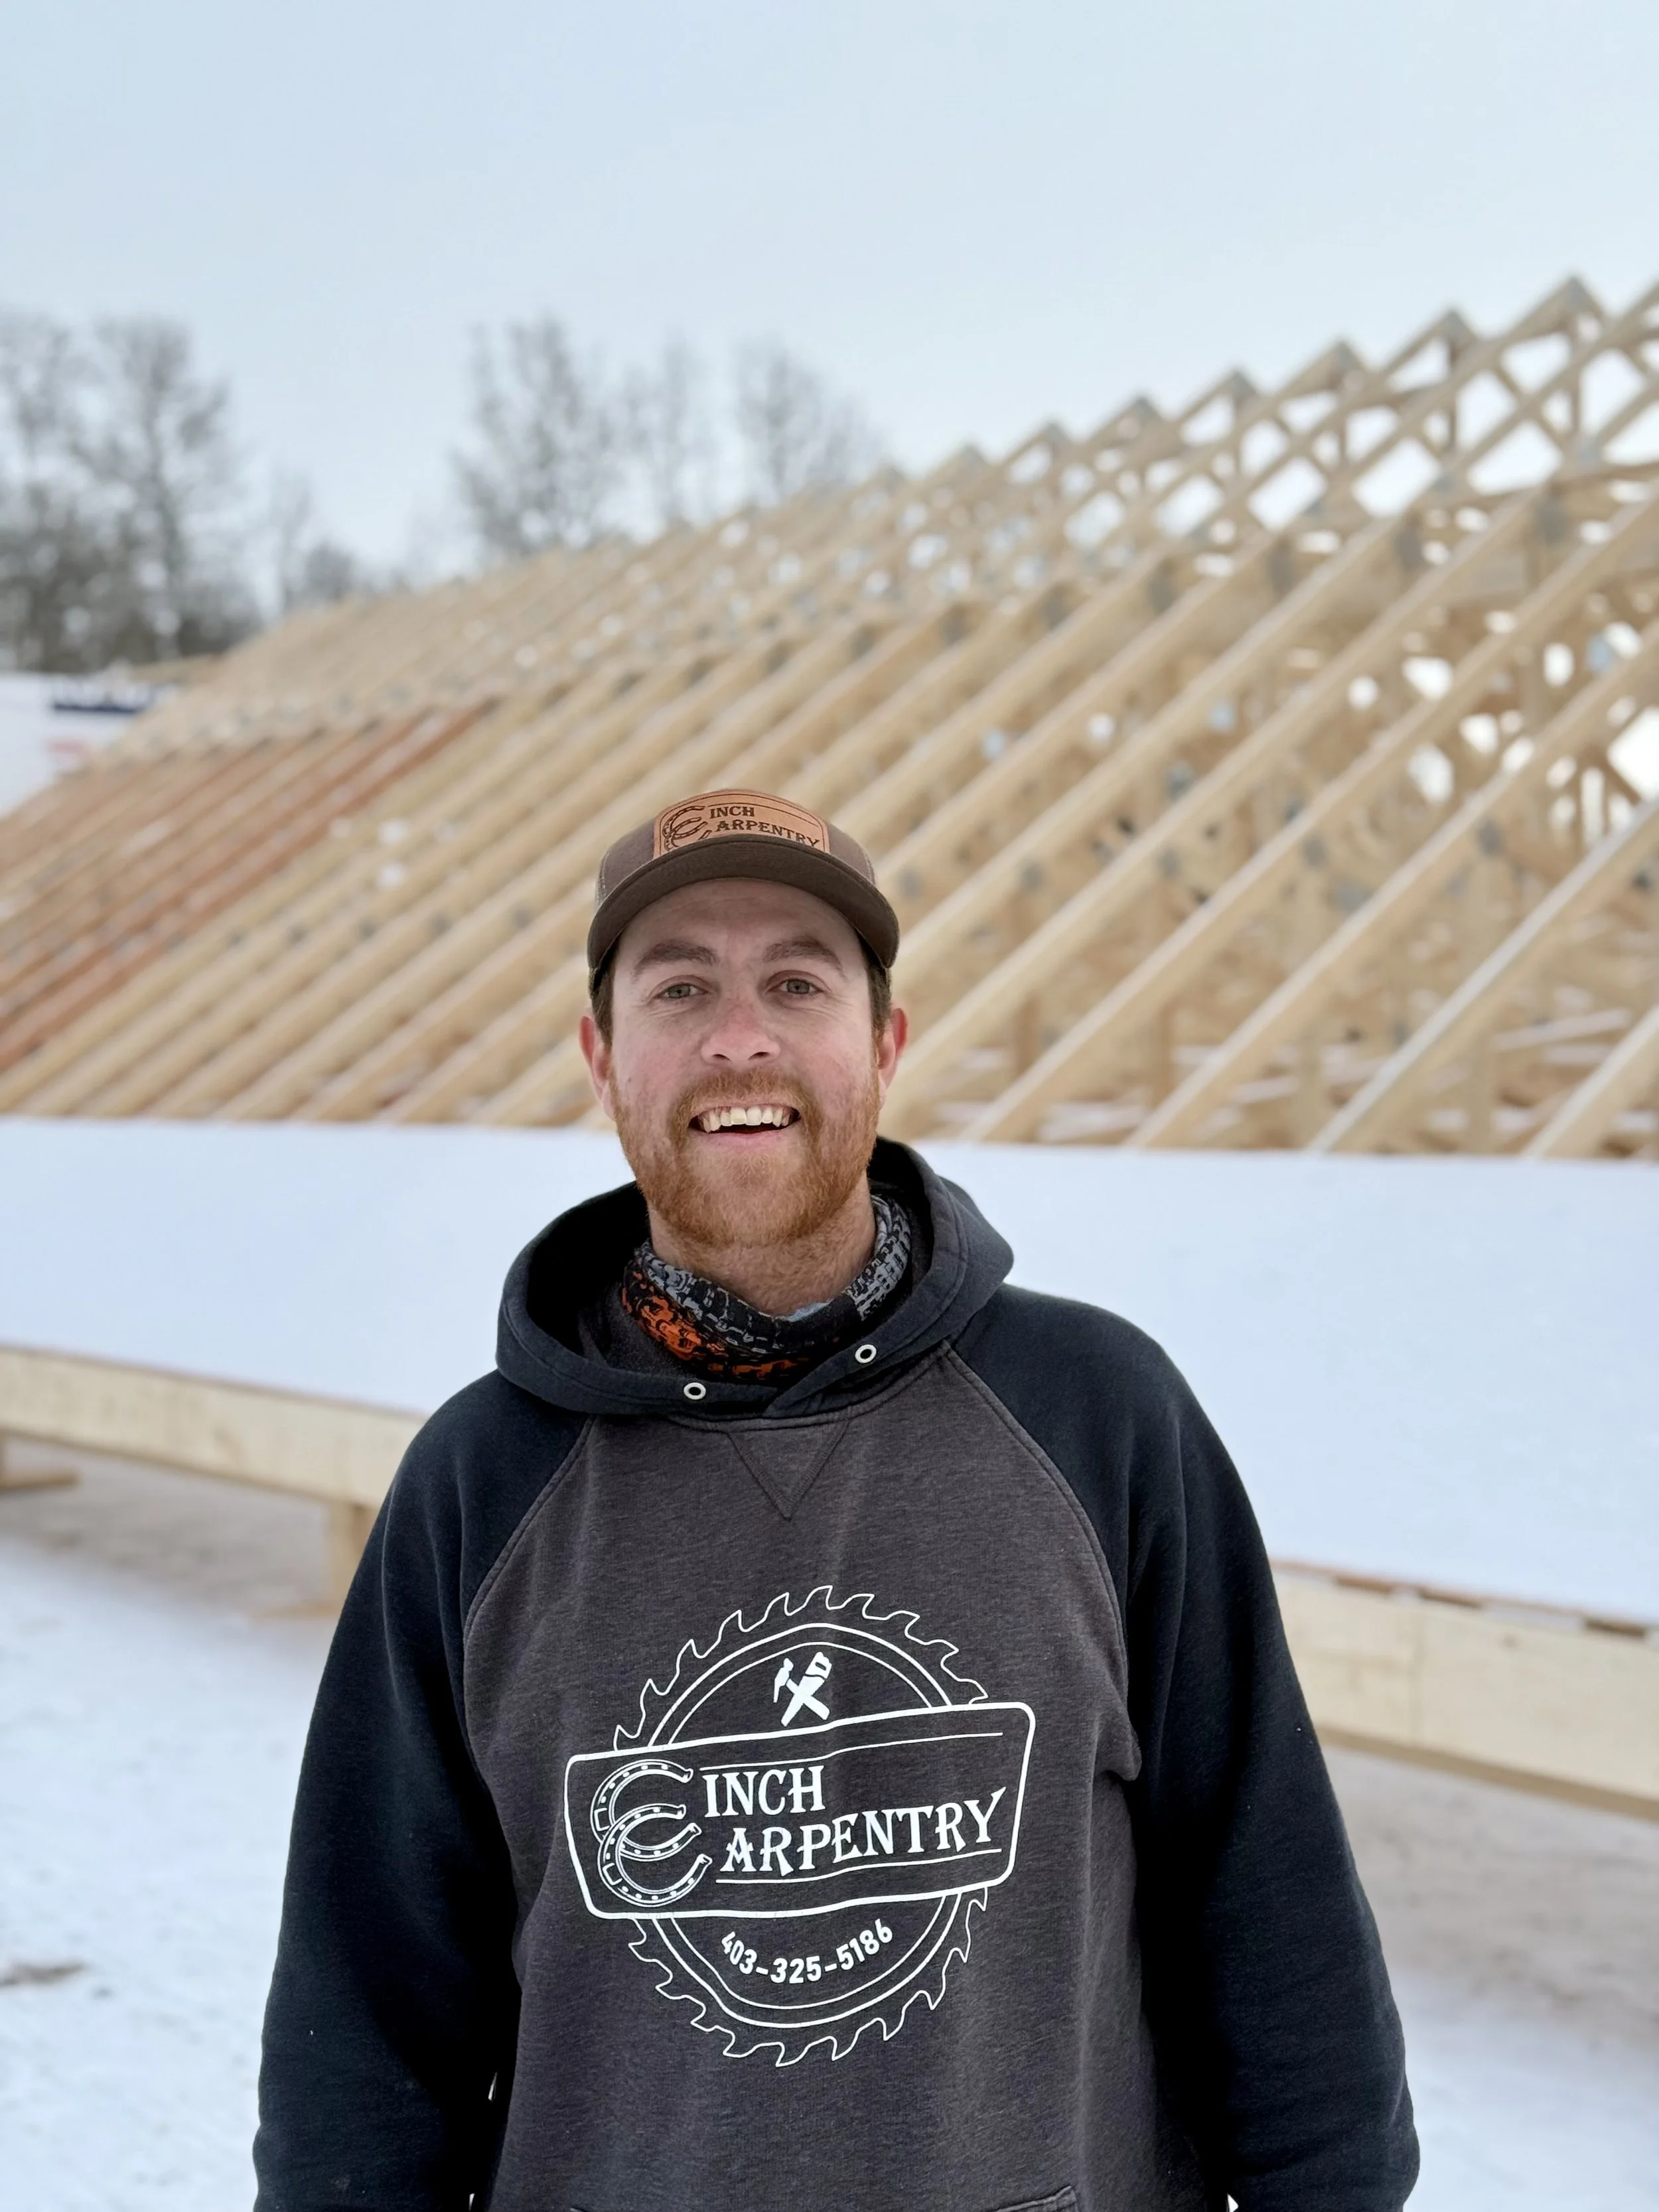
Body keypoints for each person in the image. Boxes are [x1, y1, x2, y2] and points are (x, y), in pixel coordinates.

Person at [255, 786, 1417, 2212]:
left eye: (795, 981)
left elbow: (1271, 1903)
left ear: (881, 1042)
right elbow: (363, 2028)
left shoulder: (1096, 1416)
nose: (738, 1032)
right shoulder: (481, 1488)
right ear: (600, 1055)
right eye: (678, 985)